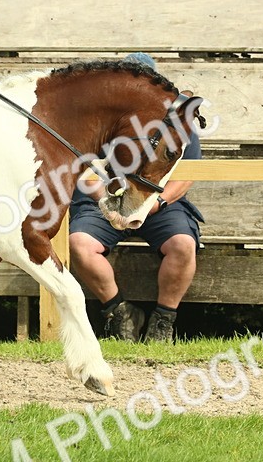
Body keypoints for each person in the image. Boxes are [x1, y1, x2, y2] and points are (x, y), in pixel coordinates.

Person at [68, 52, 205, 343]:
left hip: (160, 202)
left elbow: (188, 173)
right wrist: (108, 200)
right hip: (106, 200)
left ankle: (163, 322)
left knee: (182, 244)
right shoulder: (99, 118)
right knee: (79, 244)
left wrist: (156, 203)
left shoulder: (177, 120)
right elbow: (83, 171)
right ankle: (120, 314)